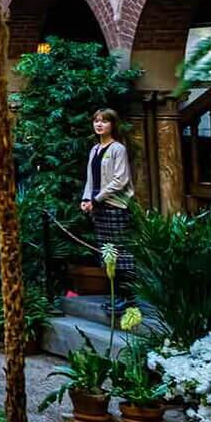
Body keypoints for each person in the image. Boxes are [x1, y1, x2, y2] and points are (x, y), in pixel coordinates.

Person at [80, 107, 134, 307]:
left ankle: (127, 297)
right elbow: (90, 178)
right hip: (99, 206)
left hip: (115, 205)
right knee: (107, 252)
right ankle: (115, 295)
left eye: (104, 121)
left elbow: (121, 180)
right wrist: (87, 199)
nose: (99, 124)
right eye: (96, 121)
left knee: (121, 253)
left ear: (113, 124)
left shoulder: (118, 148)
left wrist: (97, 198)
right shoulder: (94, 149)